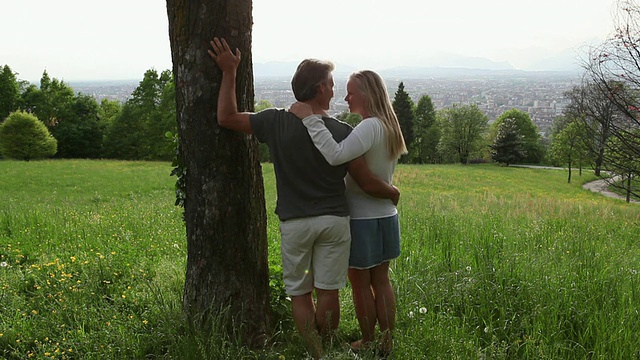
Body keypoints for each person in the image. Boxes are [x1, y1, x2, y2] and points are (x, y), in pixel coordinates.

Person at [207, 38, 398, 359]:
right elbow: (364, 178)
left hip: (295, 222)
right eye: (333, 85)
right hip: (335, 221)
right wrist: (392, 192)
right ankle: (334, 343)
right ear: (321, 88)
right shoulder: (341, 130)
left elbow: (226, 117)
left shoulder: (274, 121)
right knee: (328, 291)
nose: (336, 91)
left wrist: (229, 71)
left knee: (300, 294)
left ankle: (316, 353)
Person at [290, 69, 407, 356]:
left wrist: (310, 119)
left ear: (366, 94)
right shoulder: (388, 125)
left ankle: (368, 341)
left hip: (362, 217)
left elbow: (335, 155)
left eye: (351, 92)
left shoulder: (368, 127)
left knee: (360, 285)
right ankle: (387, 340)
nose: (345, 97)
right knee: (382, 281)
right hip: (386, 216)